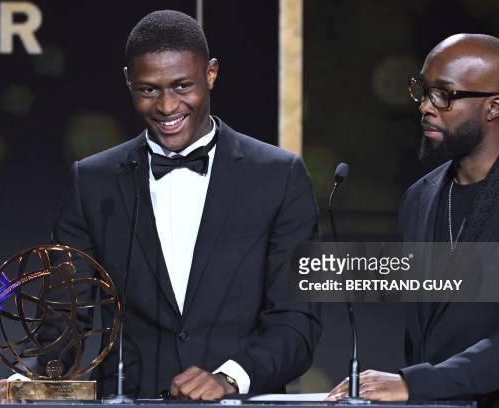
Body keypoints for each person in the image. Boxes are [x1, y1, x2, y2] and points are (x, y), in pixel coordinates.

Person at [21, 10, 320, 400]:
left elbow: (297, 321)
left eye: (182, 86)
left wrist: (229, 378)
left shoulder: (280, 177)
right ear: (128, 81)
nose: (166, 106)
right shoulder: (92, 182)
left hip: (240, 402)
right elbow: (65, 316)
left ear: (211, 74)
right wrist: (34, 382)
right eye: (149, 90)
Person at [327, 34, 499, 407]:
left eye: (444, 94)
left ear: (494, 107)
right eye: (423, 90)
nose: (425, 106)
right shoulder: (418, 198)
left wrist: (418, 383)